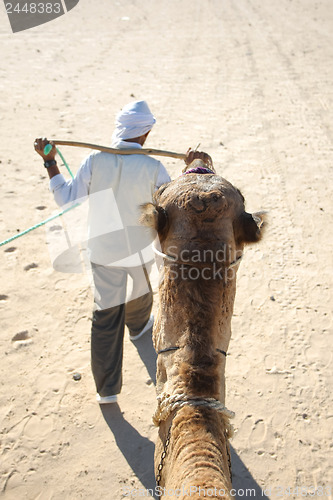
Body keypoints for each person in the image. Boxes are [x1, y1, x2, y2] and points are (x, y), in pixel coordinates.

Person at [34, 100, 211, 405]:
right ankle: (139, 325)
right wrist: (192, 169)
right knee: (141, 293)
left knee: (105, 317)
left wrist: (50, 162)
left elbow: (65, 199)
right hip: (140, 251)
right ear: (145, 133)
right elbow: (177, 209)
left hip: (102, 252)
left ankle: (108, 391)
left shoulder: (94, 160)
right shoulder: (153, 167)